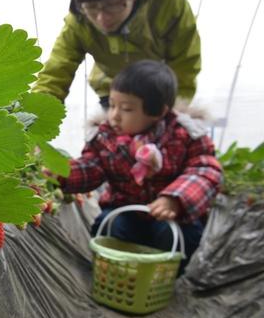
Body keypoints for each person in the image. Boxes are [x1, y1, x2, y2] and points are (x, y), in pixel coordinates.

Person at [57, 60, 222, 271]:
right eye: (113, 105)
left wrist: (175, 199)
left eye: (126, 108)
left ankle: (159, 279)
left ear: (158, 112)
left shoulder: (185, 135)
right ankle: (117, 276)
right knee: (110, 226)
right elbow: (92, 166)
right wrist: (61, 174)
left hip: (172, 216)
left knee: (177, 235)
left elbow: (205, 169)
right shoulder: (105, 137)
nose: (114, 115)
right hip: (124, 210)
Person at [33, 0, 201, 108]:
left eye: (112, 5)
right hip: (113, 92)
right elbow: (57, 70)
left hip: (157, 94)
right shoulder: (79, 17)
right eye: (91, 7)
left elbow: (185, 63)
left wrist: (175, 111)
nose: (102, 18)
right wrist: (32, 112)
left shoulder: (168, 2)